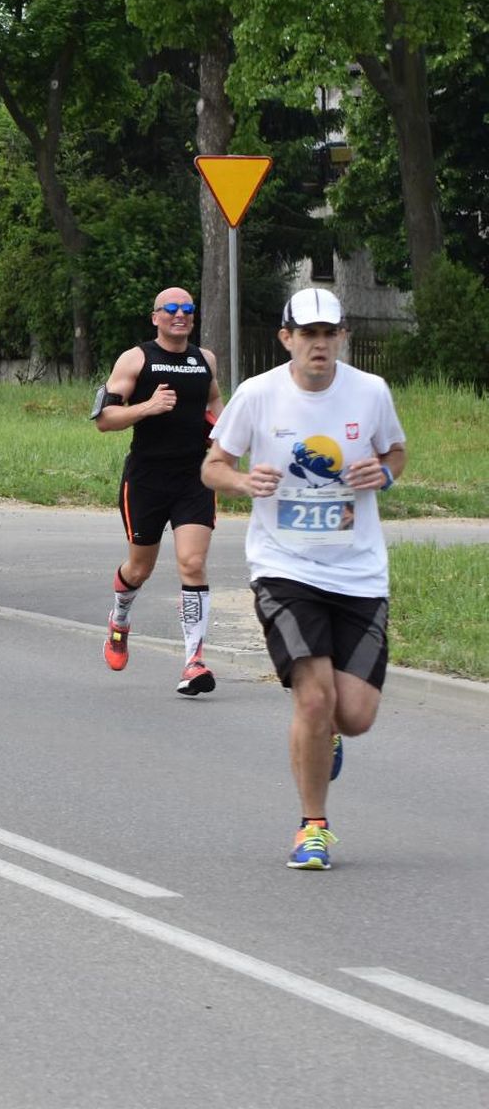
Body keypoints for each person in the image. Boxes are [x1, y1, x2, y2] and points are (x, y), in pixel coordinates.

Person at [202, 289, 406, 871]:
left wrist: (383, 475)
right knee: (314, 699)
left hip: (359, 572)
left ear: (342, 337)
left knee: (354, 715)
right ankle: (312, 827)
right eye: (308, 334)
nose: (319, 344)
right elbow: (213, 467)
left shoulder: (370, 392)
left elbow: (396, 452)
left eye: (328, 334)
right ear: (286, 338)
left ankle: (329, 733)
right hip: (284, 568)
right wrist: (243, 483)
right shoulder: (258, 394)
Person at [93, 286, 224, 696]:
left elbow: (215, 402)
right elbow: (104, 419)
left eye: (187, 308)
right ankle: (119, 620)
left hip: (194, 477)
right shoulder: (136, 359)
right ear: (155, 317)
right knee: (139, 569)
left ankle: (194, 661)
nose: (179, 314)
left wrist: (224, 440)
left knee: (193, 563)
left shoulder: (205, 360)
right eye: (170, 309)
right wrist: (147, 407)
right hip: (147, 479)